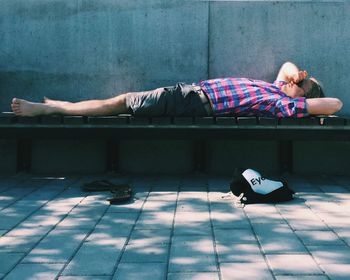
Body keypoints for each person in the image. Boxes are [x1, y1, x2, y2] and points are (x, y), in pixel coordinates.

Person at [10, 61, 342, 118]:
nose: (290, 81)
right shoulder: (277, 89)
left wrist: (301, 92)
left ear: (304, 99)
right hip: (190, 94)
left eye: (301, 86)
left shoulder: (281, 106)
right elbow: (286, 63)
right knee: (121, 101)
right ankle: (65, 106)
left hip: (192, 103)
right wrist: (295, 78)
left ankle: (52, 109)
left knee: (123, 102)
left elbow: (335, 103)